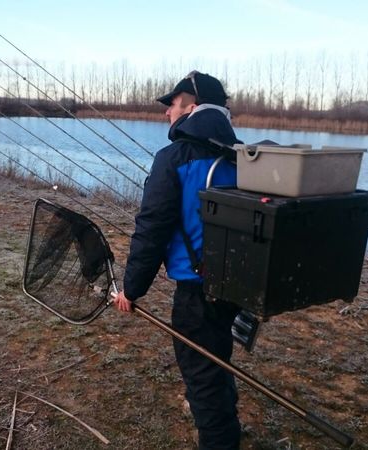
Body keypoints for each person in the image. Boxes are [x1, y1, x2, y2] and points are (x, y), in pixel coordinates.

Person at [113, 71, 242, 449]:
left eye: (171, 103)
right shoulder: (241, 155)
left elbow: (151, 229)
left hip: (196, 292)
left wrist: (131, 290)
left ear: (190, 104)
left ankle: (220, 437)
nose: (166, 112)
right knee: (216, 355)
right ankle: (226, 419)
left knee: (201, 375)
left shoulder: (174, 157)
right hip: (235, 285)